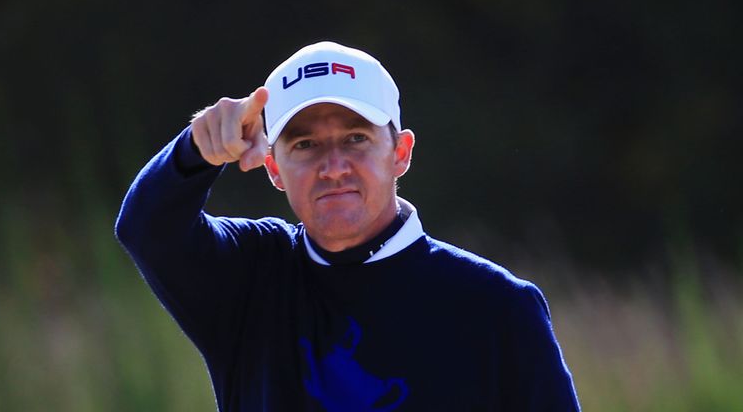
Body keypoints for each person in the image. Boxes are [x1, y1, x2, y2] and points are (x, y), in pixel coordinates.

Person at [115, 41, 580, 411]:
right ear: (274, 169)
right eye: (305, 145)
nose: (333, 166)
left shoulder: (497, 307)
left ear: (400, 153)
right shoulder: (253, 275)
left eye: (356, 138)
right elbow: (147, 229)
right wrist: (197, 150)